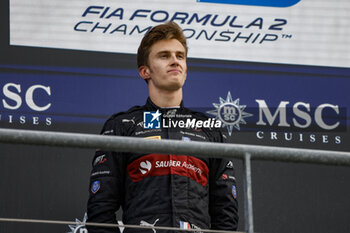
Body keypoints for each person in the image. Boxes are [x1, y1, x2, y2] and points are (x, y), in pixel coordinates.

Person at [87, 21, 238, 233]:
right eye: (164, 56)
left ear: (186, 69)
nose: (175, 61)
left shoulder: (209, 129)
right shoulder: (121, 126)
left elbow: (226, 213)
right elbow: (100, 209)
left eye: (180, 56)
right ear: (145, 71)